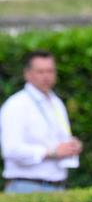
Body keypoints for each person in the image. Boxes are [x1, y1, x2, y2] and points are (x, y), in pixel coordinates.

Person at [0, 51, 82, 193]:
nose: (46, 76)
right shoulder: (16, 105)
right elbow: (10, 150)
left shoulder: (56, 102)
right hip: (26, 186)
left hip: (58, 186)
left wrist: (72, 145)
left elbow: (59, 139)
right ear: (28, 74)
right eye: (40, 71)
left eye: (50, 71)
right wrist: (51, 152)